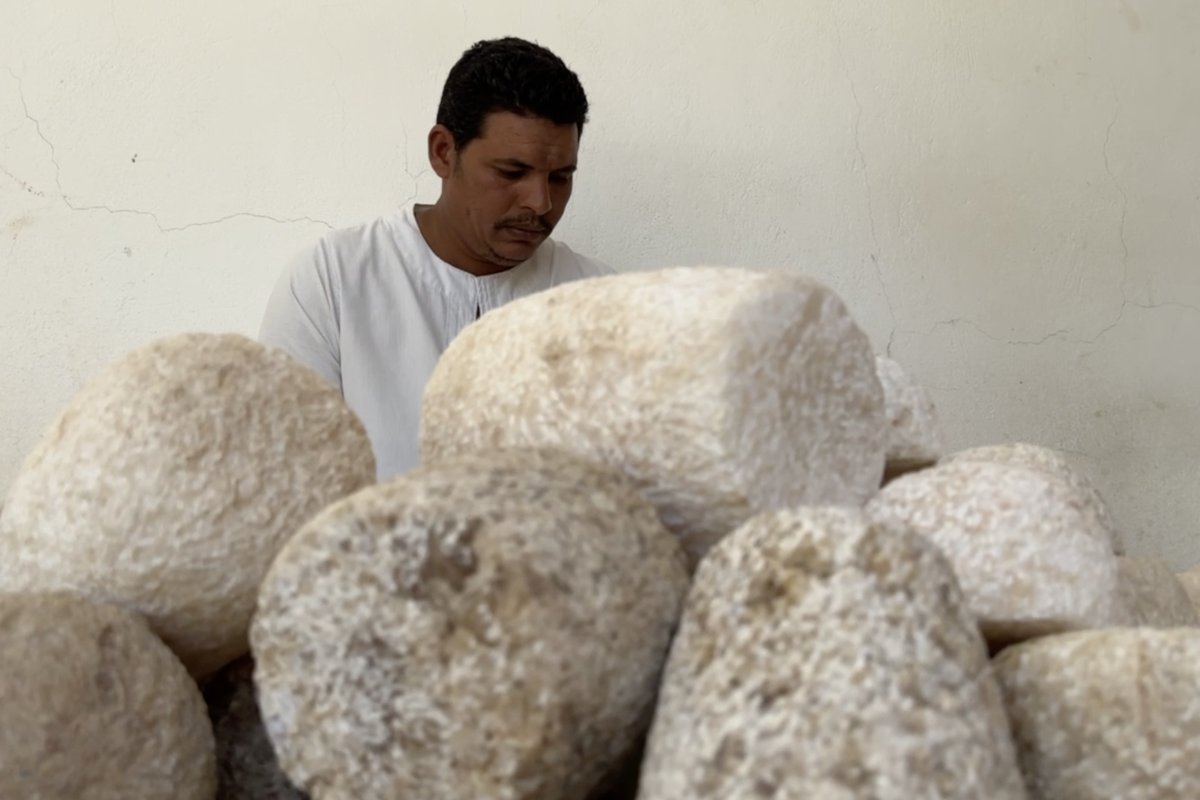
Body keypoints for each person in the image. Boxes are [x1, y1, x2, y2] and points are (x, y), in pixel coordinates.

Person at [258, 37, 612, 480]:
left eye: (560, 178)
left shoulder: (602, 303)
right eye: (511, 173)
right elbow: (288, 483)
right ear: (444, 152)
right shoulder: (333, 281)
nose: (540, 202)